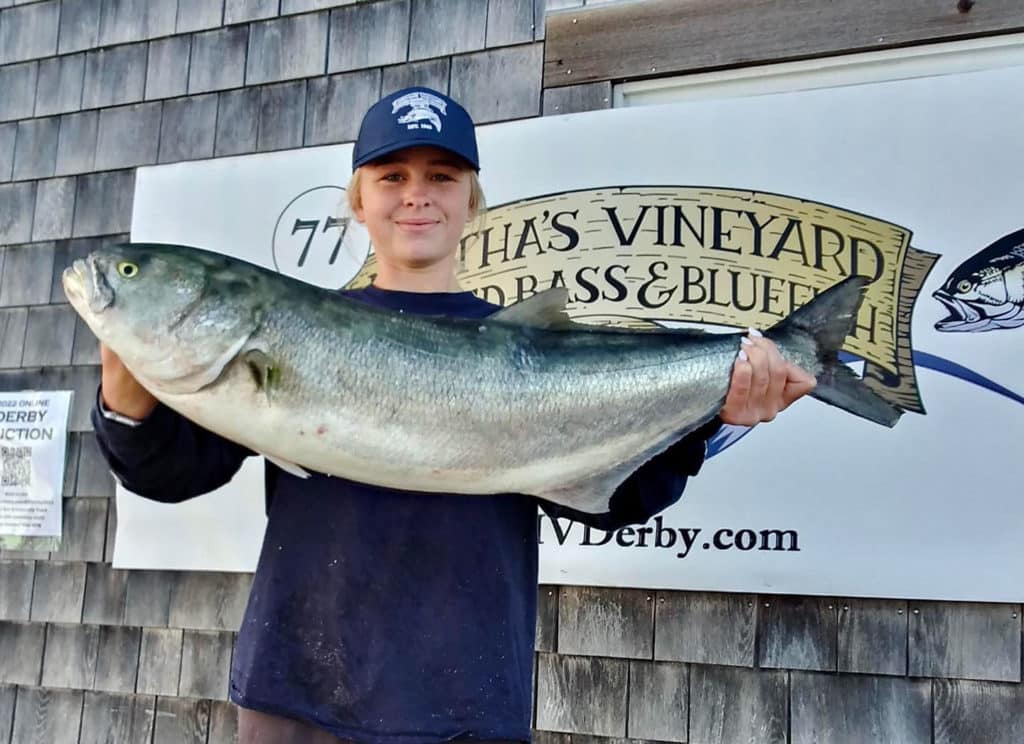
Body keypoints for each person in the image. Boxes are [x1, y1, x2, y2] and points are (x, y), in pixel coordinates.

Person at [93, 87, 817, 744]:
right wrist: (126, 393)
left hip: (465, 703)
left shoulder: (524, 345)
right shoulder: (289, 330)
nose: (417, 196)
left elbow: (617, 496)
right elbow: (175, 472)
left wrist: (715, 419)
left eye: (442, 176)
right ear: (358, 200)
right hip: (297, 693)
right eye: (392, 177)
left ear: (473, 200)